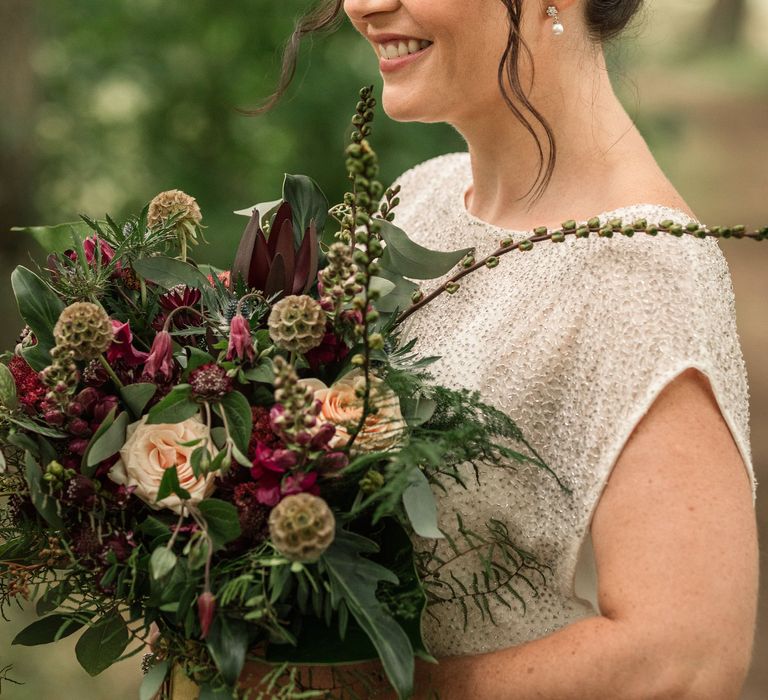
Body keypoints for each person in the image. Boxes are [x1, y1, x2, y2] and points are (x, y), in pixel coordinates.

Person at [221, 1, 760, 698]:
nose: (362, 4)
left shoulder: (641, 274)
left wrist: (363, 687)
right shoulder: (421, 199)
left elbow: (683, 661)